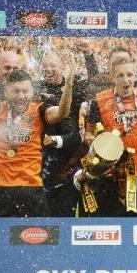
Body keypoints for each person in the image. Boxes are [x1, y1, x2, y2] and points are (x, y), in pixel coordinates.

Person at [0, 64, 73, 218]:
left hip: (31, 186)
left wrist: (69, 86)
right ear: (6, 92)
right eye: (16, 91)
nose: (21, 96)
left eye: (25, 91)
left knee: (39, 237)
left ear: (32, 91)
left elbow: (62, 112)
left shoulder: (40, 110)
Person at [82, 57, 137, 217]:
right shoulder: (98, 101)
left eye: (130, 74)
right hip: (111, 176)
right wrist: (93, 143)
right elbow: (88, 134)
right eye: (120, 75)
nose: (126, 79)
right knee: (111, 229)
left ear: (135, 75)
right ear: (112, 76)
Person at [38, 49, 89, 217]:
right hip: (40, 163)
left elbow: (78, 134)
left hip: (68, 162)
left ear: (62, 68)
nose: (48, 68)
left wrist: (88, 54)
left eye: (52, 65)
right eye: (45, 65)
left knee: (64, 215)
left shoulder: (76, 89)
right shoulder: (34, 88)